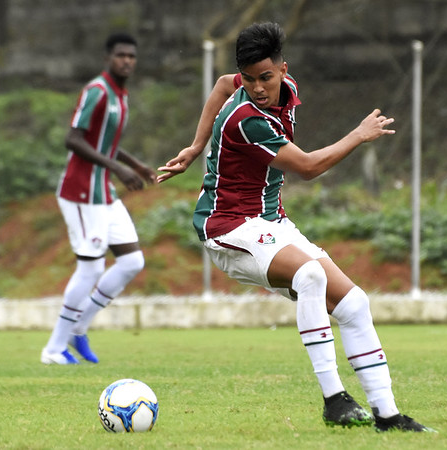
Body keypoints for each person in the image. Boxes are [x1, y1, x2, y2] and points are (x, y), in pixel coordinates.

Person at [157, 22, 432, 432]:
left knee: (355, 304)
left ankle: (388, 416)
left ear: (283, 69)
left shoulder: (276, 87)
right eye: (248, 80)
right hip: (228, 227)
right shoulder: (249, 120)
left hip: (269, 220)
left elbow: (219, 84)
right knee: (309, 275)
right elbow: (307, 167)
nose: (256, 88)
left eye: (264, 77)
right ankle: (334, 398)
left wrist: (197, 146)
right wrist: (358, 135)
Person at [41, 33, 157, 365]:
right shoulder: (97, 91)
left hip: (103, 192)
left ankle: (79, 330)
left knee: (132, 262)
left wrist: (135, 165)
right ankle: (53, 349)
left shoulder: (121, 94)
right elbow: (74, 139)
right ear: (108, 58)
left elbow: (104, 140)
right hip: (80, 192)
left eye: (132, 56)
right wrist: (118, 169)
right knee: (90, 269)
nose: (127, 61)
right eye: (121, 55)